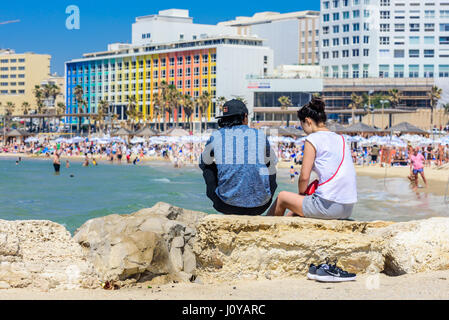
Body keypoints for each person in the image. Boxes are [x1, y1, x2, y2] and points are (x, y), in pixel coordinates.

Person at [267, 97, 357, 219]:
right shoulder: (341, 139)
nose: (303, 130)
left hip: (328, 206)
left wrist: (301, 196)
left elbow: (304, 177)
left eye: (302, 125)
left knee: (282, 197)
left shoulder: (312, 139)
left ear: (308, 121)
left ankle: (270, 232)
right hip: (347, 208)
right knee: (293, 213)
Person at [199, 99, 278, 216]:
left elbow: (202, 163)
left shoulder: (216, 136)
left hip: (226, 206)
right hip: (260, 206)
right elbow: (272, 162)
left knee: (207, 166)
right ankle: (260, 194)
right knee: (269, 164)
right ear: (245, 116)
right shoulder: (259, 134)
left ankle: (227, 193)